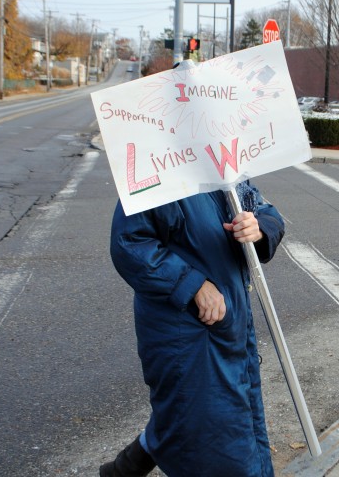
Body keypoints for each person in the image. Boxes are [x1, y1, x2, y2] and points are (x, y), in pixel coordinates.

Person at [100, 181, 284, 477]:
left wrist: (260, 228)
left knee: (202, 420)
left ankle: (123, 469)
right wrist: (192, 284)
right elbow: (130, 242)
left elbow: (263, 208)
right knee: (216, 440)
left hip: (228, 328)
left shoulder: (225, 167)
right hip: (186, 331)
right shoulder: (159, 168)